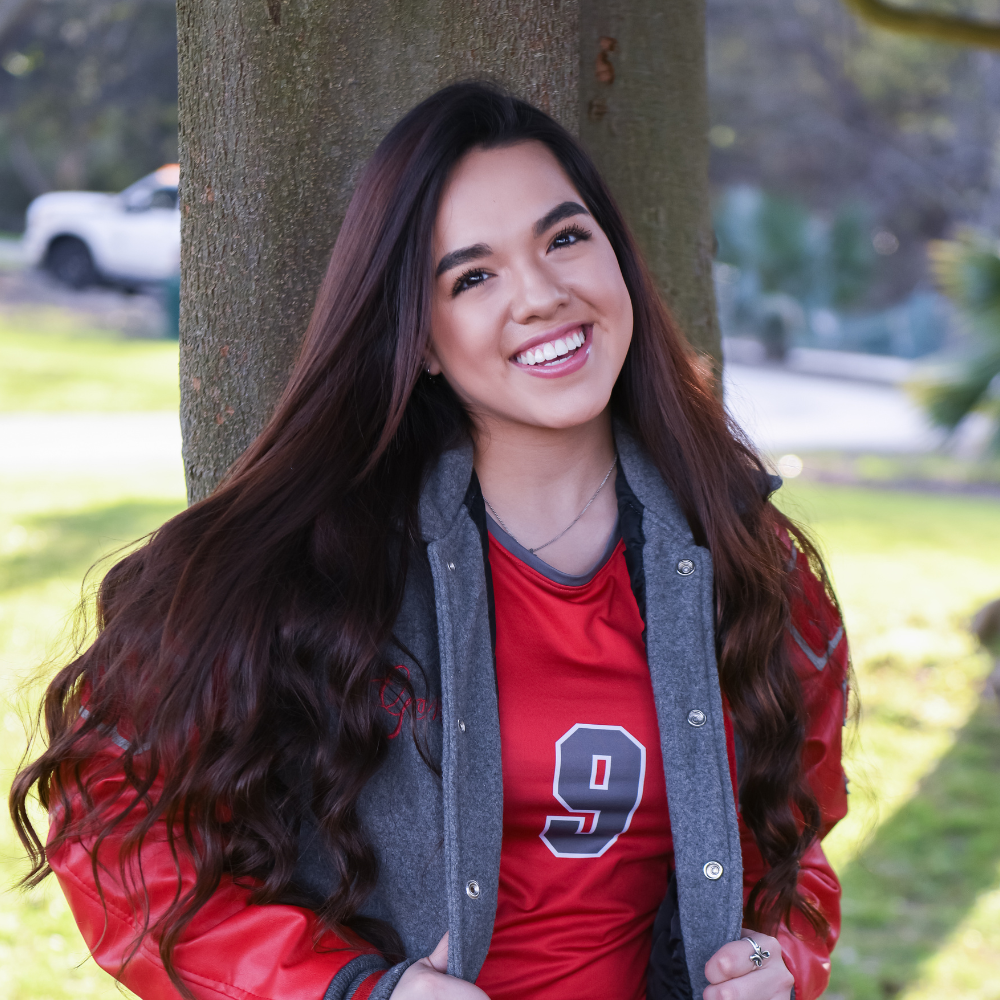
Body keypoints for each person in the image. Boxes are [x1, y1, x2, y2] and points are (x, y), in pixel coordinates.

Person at [10, 82, 849, 1000]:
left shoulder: (749, 560)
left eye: (566, 238)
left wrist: (782, 961)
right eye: (473, 276)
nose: (542, 296)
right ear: (420, 340)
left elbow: (795, 843)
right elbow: (117, 826)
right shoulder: (311, 564)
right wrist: (353, 991)